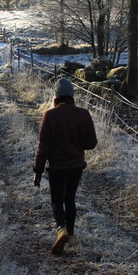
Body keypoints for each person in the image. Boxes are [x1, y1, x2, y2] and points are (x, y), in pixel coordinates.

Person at [33, 77, 97, 255]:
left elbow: (42, 147)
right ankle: (71, 234)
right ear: (72, 95)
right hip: (76, 166)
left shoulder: (50, 115)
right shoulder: (83, 114)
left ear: (56, 96)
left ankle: (61, 230)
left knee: (56, 200)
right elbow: (91, 143)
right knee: (70, 199)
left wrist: (38, 169)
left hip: (57, 168)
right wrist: (77, 141)